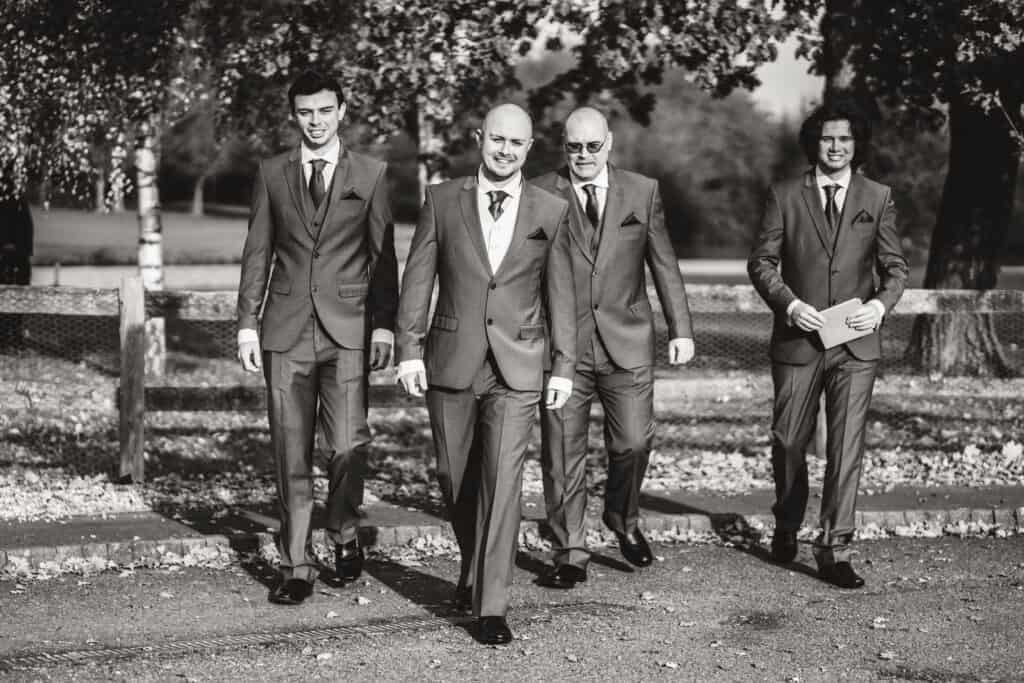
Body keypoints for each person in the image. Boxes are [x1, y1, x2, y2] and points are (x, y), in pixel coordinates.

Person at [395, 103, 576, 645]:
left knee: (503, 483)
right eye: (497, 139)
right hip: (452, 358)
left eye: (516, 143)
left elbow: (561, 291)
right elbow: (418, 277)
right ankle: (472, 571)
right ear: (480, 138)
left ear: (529, 149)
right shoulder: (443, 199)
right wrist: (408, 348)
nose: (505, 150)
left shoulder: (552, 208)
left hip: (518, 366)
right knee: (457, 480)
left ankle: (491, 606)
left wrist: (563, 364)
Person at [236, 70, 398, 605]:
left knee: (349, 443)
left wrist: (382, 324)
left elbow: (382, 258)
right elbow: (257, 253)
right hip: (284, 332)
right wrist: (245, 324)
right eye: (305, 111)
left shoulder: (371, 174)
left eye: (324, 110)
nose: (315, 120)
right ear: (294, 115)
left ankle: (345, 530)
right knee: (290, 452)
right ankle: (297, 565)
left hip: (348, 331)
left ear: (342, 110)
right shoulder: (271, 174)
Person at [531, 107, 695, 589]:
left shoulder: (642, 191)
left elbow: (664, 262)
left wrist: (680, 328)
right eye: (573, 147)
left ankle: (622, 518)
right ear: (564, 145)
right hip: (562, 349)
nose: (582, 155)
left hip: (628, 340)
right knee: (562, 454)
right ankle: (570, 552)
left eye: (591, 146)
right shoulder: (539, 191)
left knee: (634, 443)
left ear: (609, 144)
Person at [747, 99, 908, 588]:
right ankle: (788, 522)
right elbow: (761, 263)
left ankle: (834, 548)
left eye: (844, 139)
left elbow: (895, 269)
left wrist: (879, 308)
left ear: (856, 146)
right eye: (827, 138)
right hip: (799, 337)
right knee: (788, 440)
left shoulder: (877, 197)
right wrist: (791, 305)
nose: (835, 147)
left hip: (856, 343)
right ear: (813, 144)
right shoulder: (784, 195)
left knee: (845, 448)